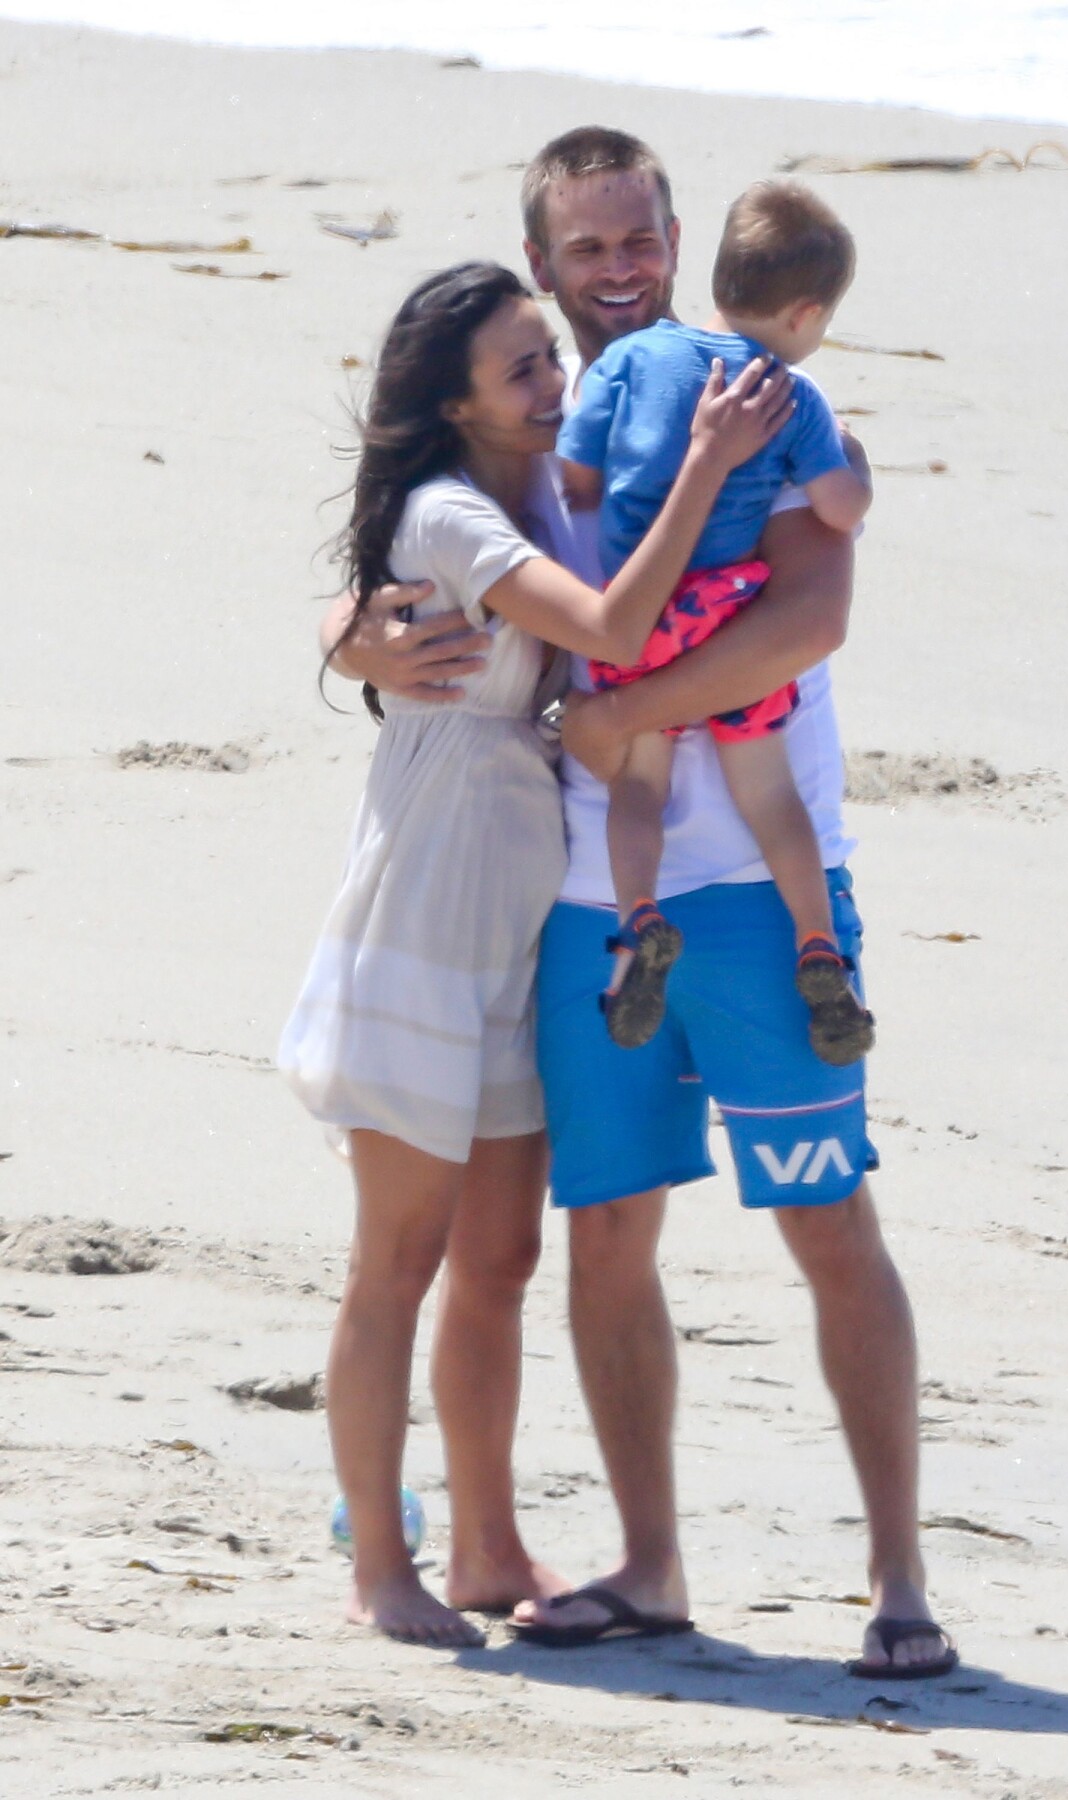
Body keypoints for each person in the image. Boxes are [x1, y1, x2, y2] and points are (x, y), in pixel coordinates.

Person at [327, 127, 956, 1678]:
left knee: (826, 1215)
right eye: (586, 251)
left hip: (758, 892)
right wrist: (348, 631)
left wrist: (620, 716)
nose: (617, 271)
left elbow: (811, 614)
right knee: (604, 1239)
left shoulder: (752, 395)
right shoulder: (535, 449)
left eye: (638, 240)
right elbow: (418, 542)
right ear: (542, 267)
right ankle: (652, 1563)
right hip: (588, 911)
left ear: (677, 242)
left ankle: (900, 1581)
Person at [281, 258, 791, 1647]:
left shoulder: (544, 488)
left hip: (528, 921)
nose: (552, 382)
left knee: (497, 1260)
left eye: (546, 359)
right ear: (453, 401)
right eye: (522, 368)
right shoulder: (451, 514)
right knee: (398, 1256)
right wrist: (705, 463)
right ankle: (382, 1564)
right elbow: (617, 626)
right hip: (431, 908)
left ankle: (491, 1548)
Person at [557, 179, 875, 1060]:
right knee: (772, 799)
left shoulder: (638, 358)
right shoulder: (792, 394)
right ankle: (819, 947)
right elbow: (841, 510)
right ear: (807, 313)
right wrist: (851, 460)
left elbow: (576, 471)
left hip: (644, 614)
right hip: (726, 614)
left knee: (638, 786)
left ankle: (640, 918)